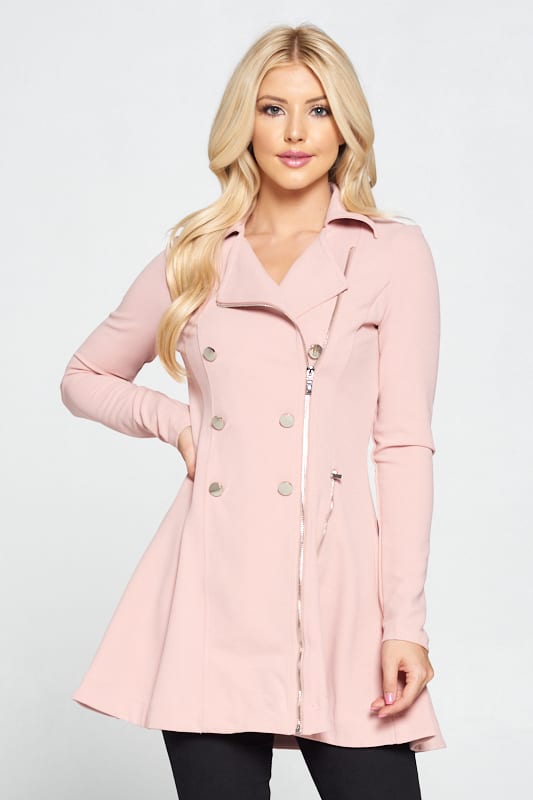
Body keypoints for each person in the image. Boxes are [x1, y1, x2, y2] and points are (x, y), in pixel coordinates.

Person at [60, 22, 446, 800]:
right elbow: (84, 375)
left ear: (345, 126)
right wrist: (175, 423)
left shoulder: (389, 252)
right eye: (273, 109)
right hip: (213, 589)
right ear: (245, 122)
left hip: (338, 592)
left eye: (318, 109)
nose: (296, 132)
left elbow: (402, 446)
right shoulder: (197, 256)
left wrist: (402, 622)